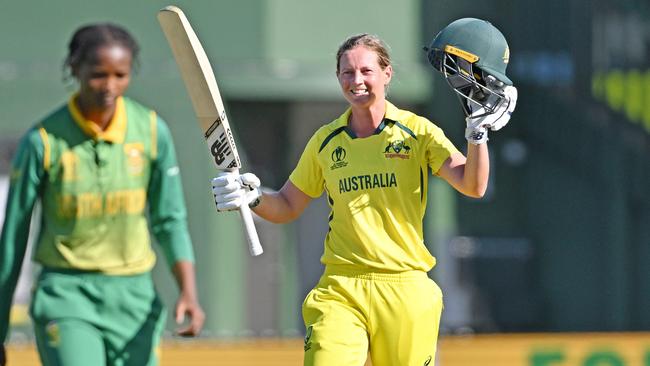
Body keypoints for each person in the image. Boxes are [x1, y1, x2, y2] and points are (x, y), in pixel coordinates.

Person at [212, 18, 516, 366]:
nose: (356, 81)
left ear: (387, 74)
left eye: (366, 71)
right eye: (347, 72)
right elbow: (286, 205)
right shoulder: (325, 141)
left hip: (405, 288)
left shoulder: (417, 133)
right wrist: (252, 198)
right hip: (341, 287)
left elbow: (472, 185)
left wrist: (477, 135)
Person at [0, 23, 205, 366]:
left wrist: (189, 292)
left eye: (120, 75)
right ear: (74, 70)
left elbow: (170, 219)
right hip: (66, 295)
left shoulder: (152, 132)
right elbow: (13, 238)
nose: (110, 87)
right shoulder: (43, 141)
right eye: (98, 75)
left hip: (134, 298)